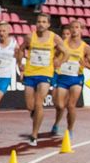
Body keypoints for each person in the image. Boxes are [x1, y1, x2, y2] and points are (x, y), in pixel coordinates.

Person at [16, 13, 69, 147]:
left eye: (44, 22)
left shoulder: (54, 38)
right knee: (30, 106)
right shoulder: (29, 37)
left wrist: (59, 61)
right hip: (30, 73)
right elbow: (21, 50)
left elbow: (66, 53)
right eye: (39, 21)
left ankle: (34, 135)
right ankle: (36, 115)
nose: (41, 24)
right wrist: (19, 64)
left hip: (45, 74)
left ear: (48, 24)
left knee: (39, 103)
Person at [50, 21, 90, 138]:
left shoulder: (86, 47)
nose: (74, 30)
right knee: (59, 105)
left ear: (81, 30)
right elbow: (52, 55)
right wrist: (56, 62)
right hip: (62, 77)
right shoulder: (62, 44)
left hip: (76, 78)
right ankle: (56, 123)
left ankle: (70, 130)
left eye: (77, 27)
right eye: (72, 27)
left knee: (71, 105)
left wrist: (85, 64)